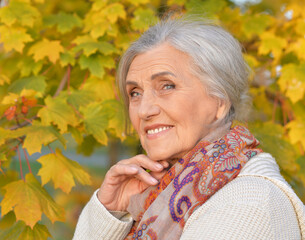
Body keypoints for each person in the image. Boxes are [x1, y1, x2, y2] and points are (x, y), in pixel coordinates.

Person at [73, 17, 305, 240]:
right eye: (135, 93)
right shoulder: (162, 194)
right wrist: (107, 213)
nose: (144, 110)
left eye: (167, 86)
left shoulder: (247, 204)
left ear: (219, 103)